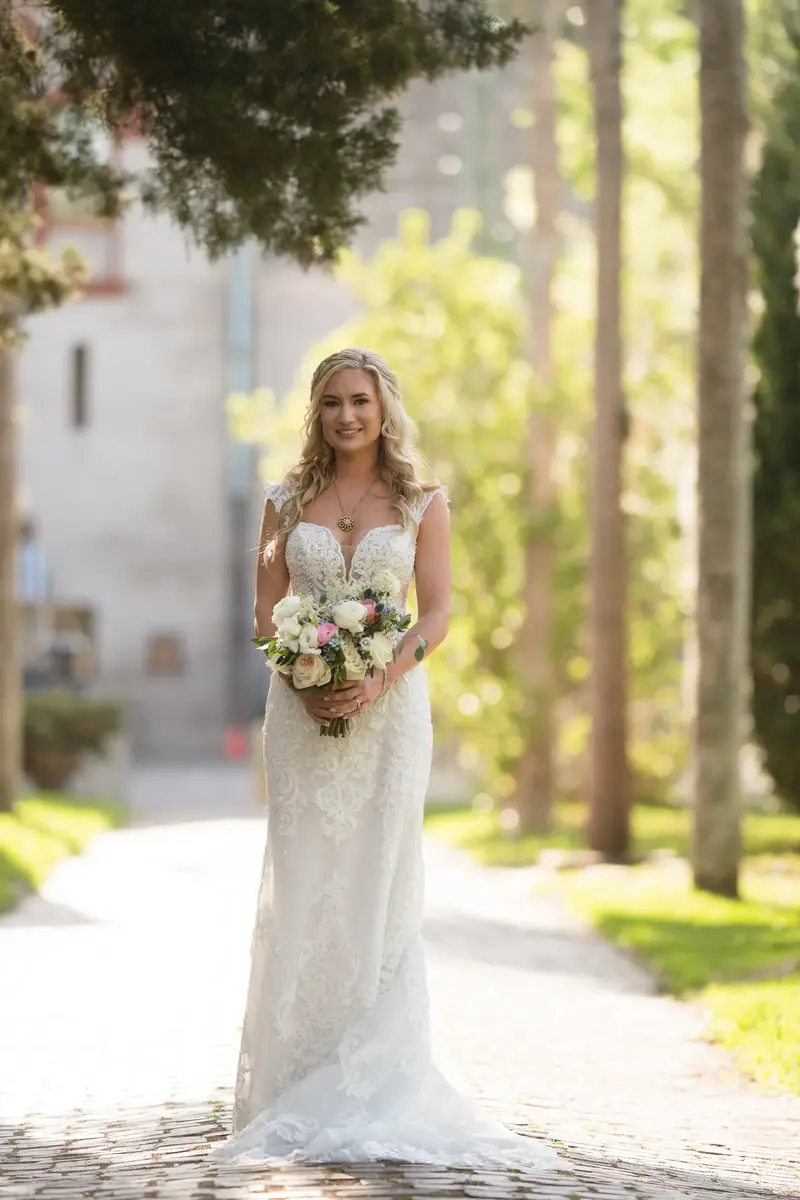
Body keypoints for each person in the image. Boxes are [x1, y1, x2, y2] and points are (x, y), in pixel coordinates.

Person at [209, 348, 558, 1170]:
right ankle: (295, 1072)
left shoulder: (421, 501)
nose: (346, 416)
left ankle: (375, 1072)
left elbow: (435, 611)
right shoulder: (283, 500)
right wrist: (299, 677)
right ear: (316, 412)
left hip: (392, 715)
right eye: (331, 402)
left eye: (359, 401)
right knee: (305, 877)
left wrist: (377, 681)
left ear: (383, 407)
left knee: (378, 880)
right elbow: (265, 608)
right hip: (299, 714)